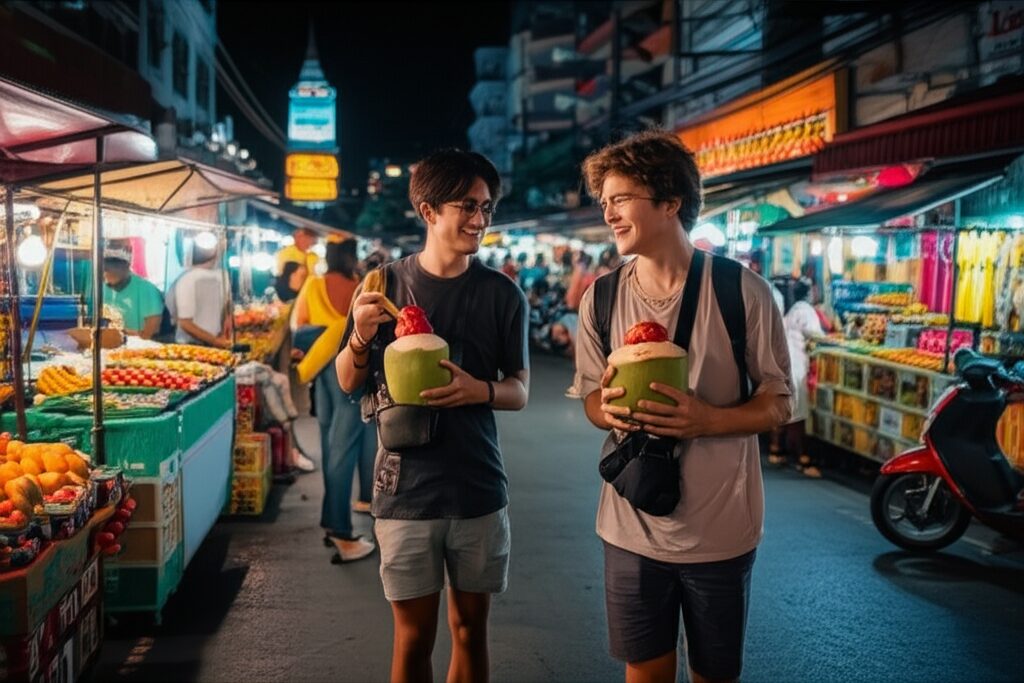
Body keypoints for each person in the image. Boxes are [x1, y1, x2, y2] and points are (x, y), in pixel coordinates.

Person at [574, 130, 793, 683]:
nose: (609, 213)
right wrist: (611, 413)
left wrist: (709, 419)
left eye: (621, 199)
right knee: (643, 671)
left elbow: (779, 404)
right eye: (605, 202)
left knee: (713, 674)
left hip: (721, 529)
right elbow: (592, 399)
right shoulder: (599, 298)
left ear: (671, 202)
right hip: (630, 526)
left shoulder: (743, 292)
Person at [337, 148, 529, 683]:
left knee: (471, 629)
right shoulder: (381, 286)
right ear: (428, 211)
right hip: (404, 490)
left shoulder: (502, 294)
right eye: (467, 206)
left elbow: (519, 390)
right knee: (413, 637)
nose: (479, 220)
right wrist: (359, 336)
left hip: (477, 485)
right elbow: (348, 382)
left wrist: (478, 391)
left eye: (487, 208)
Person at [292, 237, 375, 556]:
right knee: (346, 445)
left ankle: (334, 520)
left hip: (321, 372)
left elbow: (300, 324)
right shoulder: (360, 287)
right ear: (352, 256)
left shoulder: (313, 285)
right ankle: (340, 530)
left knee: (331, 444)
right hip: (349, 368)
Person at [772, 277, 825, 477]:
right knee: (797, 413)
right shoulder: (805, 310)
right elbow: (816, 335)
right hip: (796, 367)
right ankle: (803, 459)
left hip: (784, 364)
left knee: (784, 408)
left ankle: (777, 451)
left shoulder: (791, 310)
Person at [168, 242, 230, 348]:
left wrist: (222, 334)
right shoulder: (187, 279)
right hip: (190, 346)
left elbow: (227, 308)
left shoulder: (223, 276)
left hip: (217, 342)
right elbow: (185, 323)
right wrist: (216, 341)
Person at [101, 241, 165, 339]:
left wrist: (124, 333)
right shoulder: (103, 287)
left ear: (126, 268)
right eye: (105, 271)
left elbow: (150, 335)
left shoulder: (147, 291)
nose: (107, 278)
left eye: (112, 270)